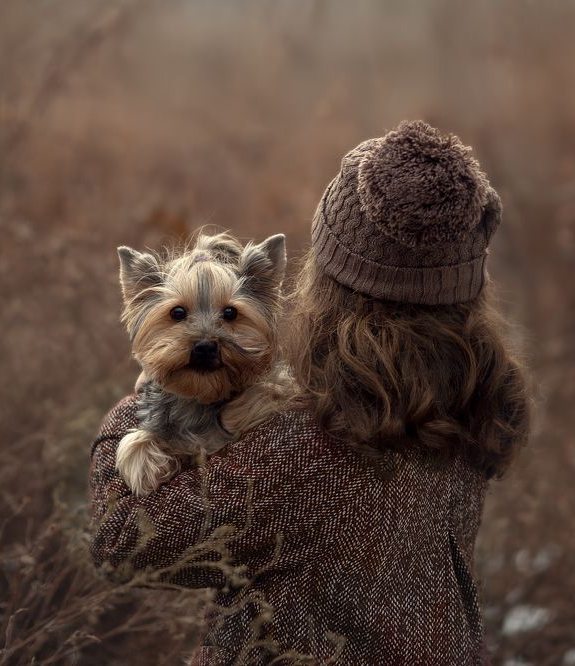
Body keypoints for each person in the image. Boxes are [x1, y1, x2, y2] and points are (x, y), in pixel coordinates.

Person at [88, 120, 531, 665]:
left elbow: (123, 544)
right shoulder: (469, 406)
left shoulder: (303, 444)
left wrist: (143, 405)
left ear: (330, 280)